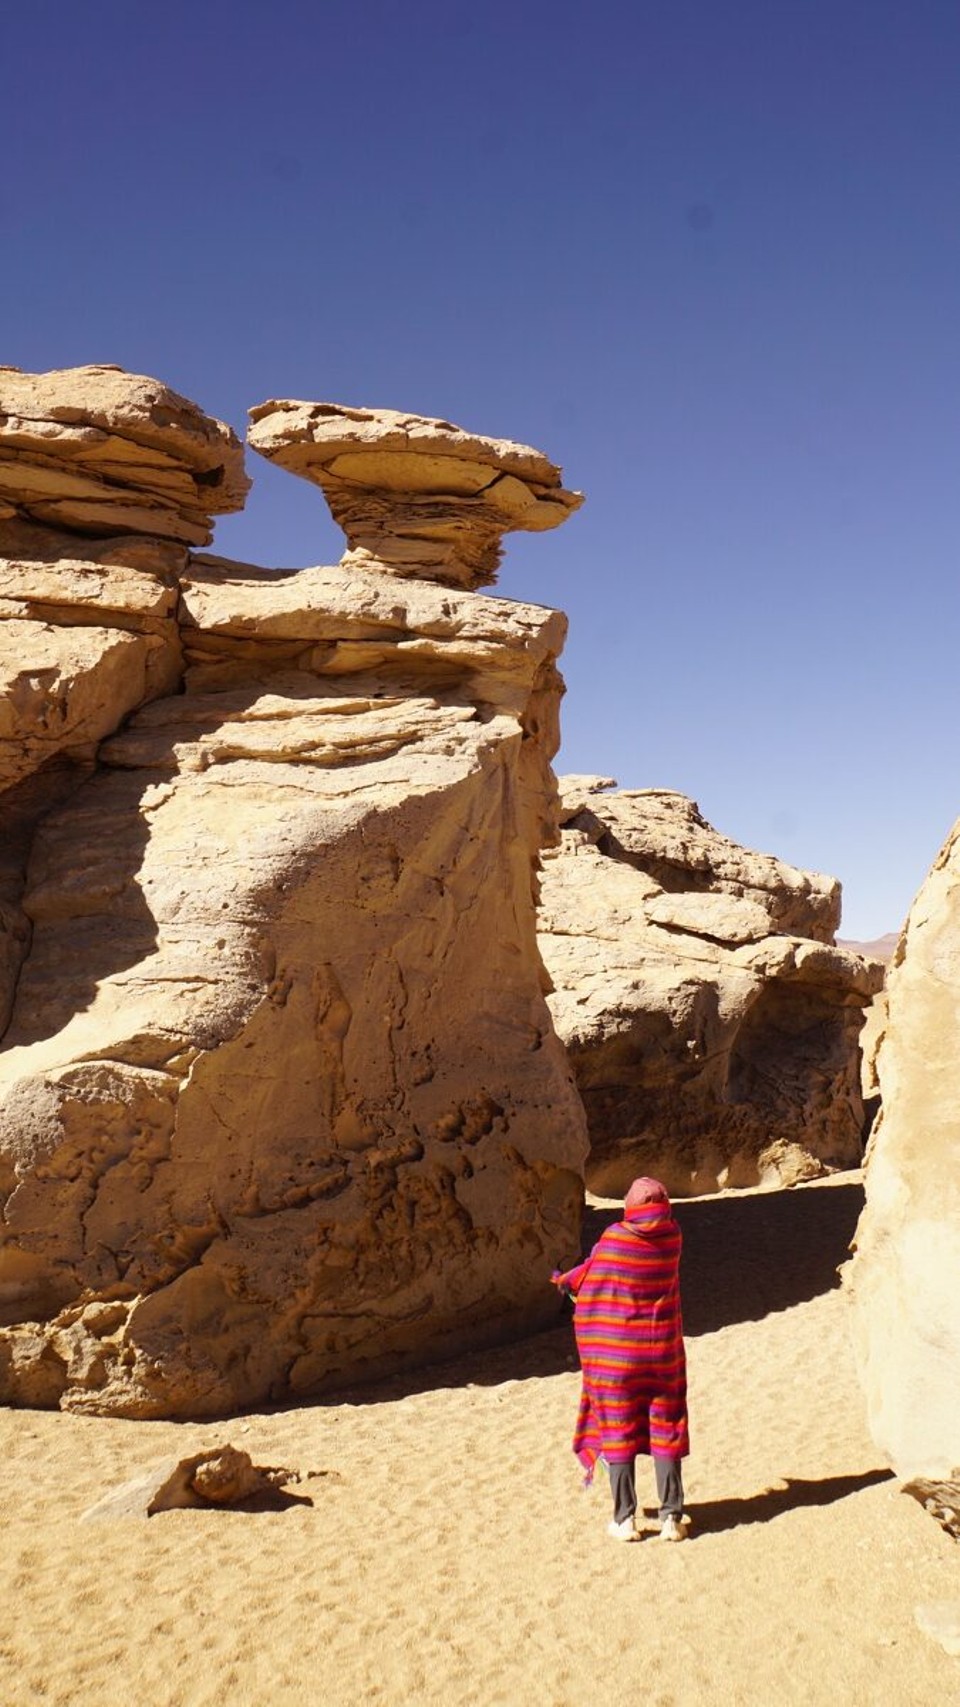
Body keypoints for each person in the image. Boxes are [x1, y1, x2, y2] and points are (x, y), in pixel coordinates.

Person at [552, 1176, 690, 1543]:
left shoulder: (615, 1239)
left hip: (618, 1358)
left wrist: (564, 1280)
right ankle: (672, 1518)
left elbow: (588, 1276)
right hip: (663, 1353)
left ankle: (625, 1519)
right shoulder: (673, 1237)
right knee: (667, 1427)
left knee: (618, 1428)